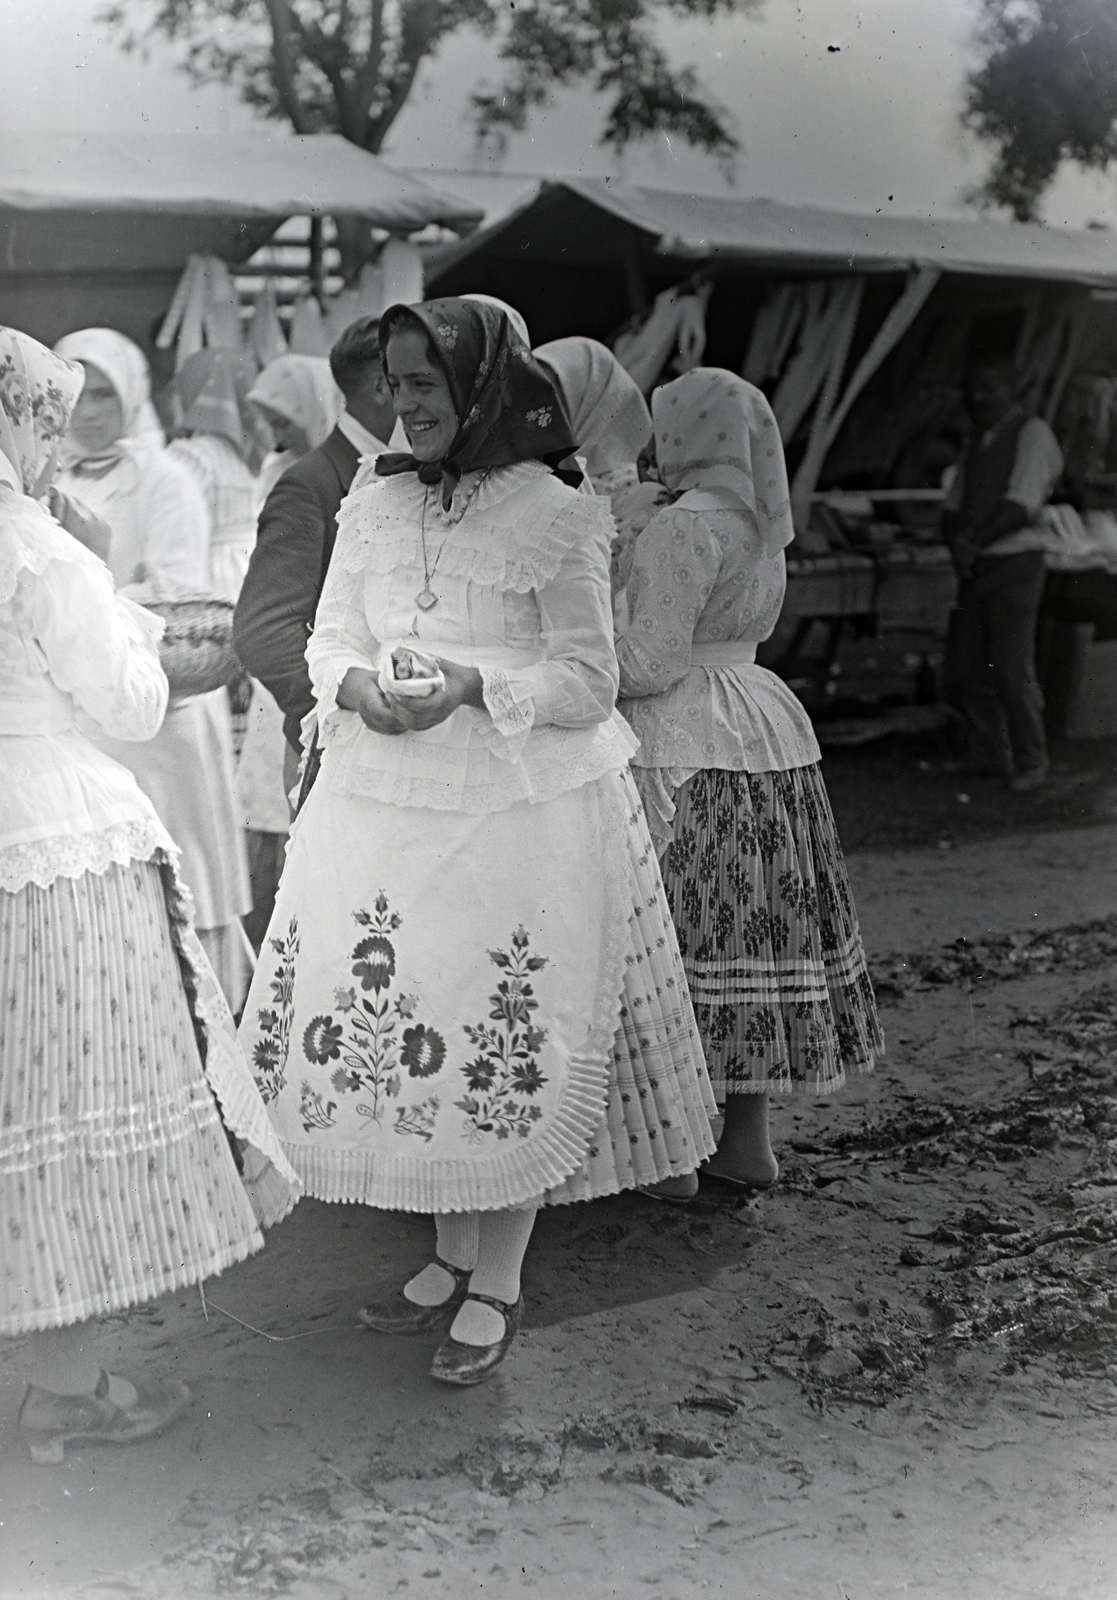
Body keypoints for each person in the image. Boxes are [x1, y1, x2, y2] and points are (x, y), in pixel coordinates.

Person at [237, 298, 716, 1385]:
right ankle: (448, 1253)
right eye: (395, 386)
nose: (406, 408)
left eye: (427, 387)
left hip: (513, 801)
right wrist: (357, 685)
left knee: (503, 1027)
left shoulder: (555, 507)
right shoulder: (373, 496)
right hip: (387, 795)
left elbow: (589, 680)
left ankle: (495, 1275)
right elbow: (330, 631)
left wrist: (471, 686)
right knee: (419, 1022)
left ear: (482, 388)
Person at [0, 328, 297, 1466]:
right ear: (30, 423)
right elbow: (128, 704)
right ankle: (66, 1389)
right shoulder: (42, 546)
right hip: (51, 836)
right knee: (63, 1106)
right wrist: (114, 595)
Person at [614, 368, 883, 1190]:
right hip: (760, 727)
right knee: (747, 931)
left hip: (685, 737)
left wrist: (575, 656)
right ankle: (744, 1142)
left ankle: (673, 1153)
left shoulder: (682, 529)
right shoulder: (761, 524)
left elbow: (652, 661)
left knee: (680, 937)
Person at [53, 328, 255, 1012]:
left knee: (177, 890)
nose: (87, 410)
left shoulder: (166, 478)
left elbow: (178, 600)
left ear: (133, 391)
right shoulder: (41, 474)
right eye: (75, 390)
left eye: (104, 392)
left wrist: (79, 603)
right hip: (80, 713)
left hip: (160, 710)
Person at [235, 320, 397, 765]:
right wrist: (344, 707)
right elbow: (264, 631)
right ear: (384, 385)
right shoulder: (311, 483)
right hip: (339, 748)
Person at [943, 358, 1064, 792]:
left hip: (1015, 563)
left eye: (990, 388)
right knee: (971, 665)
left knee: (1012, 667)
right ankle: (987, 754)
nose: (979, 398)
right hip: (977, 564)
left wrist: (973, 543)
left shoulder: (1032, 435)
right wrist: (957, 542)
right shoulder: (979, 437)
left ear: (1013, 391)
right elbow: (955, 500)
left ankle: (1032, 758)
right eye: (974, 388)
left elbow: (1021, 505)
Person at [533, 334, 666, 588]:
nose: (537, 410)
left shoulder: (642, 494)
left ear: (592, 398)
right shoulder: (533, 478)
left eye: (553, 394)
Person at [166, 348, 270, 604]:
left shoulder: (192, 457)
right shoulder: (261, 454)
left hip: (212, 581)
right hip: (257, 578)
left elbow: (175, 531)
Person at [246, 353, 343, 500]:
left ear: (318, 412)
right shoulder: (277, 472)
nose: (277, 438)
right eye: (271, 426)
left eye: (283, 424)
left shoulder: (364, 473)